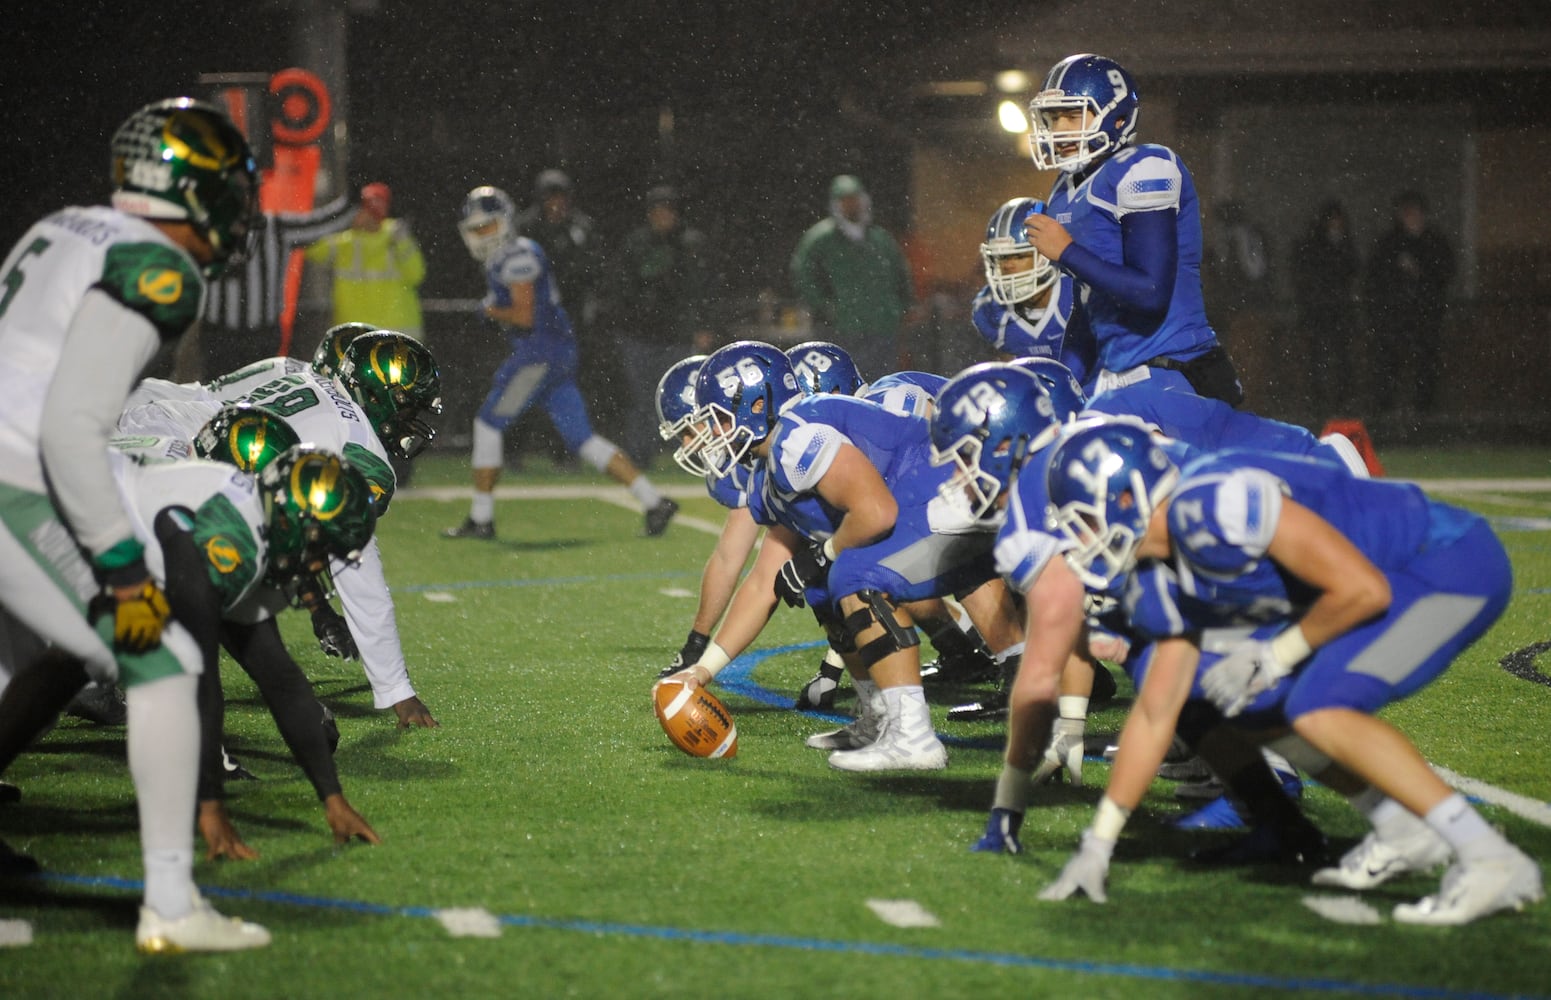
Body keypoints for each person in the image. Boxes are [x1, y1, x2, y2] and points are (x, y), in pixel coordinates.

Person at [1038, 422, 1543, 924]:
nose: (1080, 540)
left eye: (1083, 520)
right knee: (1250, 707)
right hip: (1377, 586)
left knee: (1316, 707)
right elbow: (1156, 711)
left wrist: (1276, 655)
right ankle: (1399, 827)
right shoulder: (1158, 572)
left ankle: (1490, 859)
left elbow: (1363, 590)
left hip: (1445, 565)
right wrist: (1099, 843)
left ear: (1127, 498)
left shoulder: (1213, 506)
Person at [0, 97, 268, 951]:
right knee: (162, 663)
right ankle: (172, 906)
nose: (236, 209)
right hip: (15, 474)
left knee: (44, 658)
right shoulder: (157, 266)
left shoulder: (64, 227)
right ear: (187, 188)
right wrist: (121, 568)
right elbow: (70, 425)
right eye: (226, 188)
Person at [668, 342, 1026, 772]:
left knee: (853, 574)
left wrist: (825, 554)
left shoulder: (796, 436)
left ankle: (913, 737)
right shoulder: (770, 475)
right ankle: (878, 717)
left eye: (717, 421)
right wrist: (702, 671)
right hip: (926, 505)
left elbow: (877, 512)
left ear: (757, 404)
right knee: (821, 586)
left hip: (953, 493)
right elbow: (764, 582)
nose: (711, 436)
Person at [119, 331, 445, 728]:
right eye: (409, 408)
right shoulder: (358, 445)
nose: (411, 422)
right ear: (378, 396)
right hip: (183, 457)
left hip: (157, 424)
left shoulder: (311, 378)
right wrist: (399, 692)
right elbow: (358, 570)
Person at [446, 186, 678, 540]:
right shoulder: (509, 255)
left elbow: (524, 316)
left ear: (504, 222)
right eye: (476, 229)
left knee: (488, 426)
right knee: (582, 439)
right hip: (555, 352)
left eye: (487, 226)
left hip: (539, 353)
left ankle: (481, 518)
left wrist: (490, 310)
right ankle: (654, 501)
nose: (482, 235)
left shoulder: (517, 256)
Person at [1024, 54, 1244, 409]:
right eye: (1052, 118)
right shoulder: (1063, 192)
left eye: (1072, 115)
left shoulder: (1145, 167)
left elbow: (1150, 292)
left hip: (1179, 371)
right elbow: (1086, 308)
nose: (1060, 129)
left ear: (1118, 116)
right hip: (1119, 379)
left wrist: (1066, 252)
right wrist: (1061, 385)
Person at [196, 191, 355, 381]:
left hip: (260, 338)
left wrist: (353, 197)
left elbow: (325, 222)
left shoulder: (275, 227)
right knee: (216, 399)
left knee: (259, 397)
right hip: (218, 337)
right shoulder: (204, 230)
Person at [609, 184, 716, 466]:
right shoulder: (636, 244)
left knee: (685, 397)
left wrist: (703, 325)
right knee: (643, 398)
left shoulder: (690, 243)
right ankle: (640, 454)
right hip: (641, 333)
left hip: (676, 333)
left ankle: (695, 454)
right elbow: (621, 287)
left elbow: (702, 289)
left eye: (668, 210)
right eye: (658, 210)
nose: (663, 216)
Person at [515, 169, 610, 460]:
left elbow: (595, 269)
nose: (555, 204)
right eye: (550, 198)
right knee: (524, 383)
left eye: (560, 198)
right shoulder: (526, 228)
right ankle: (515, 448)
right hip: (534, 321)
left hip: (570, 321)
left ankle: (564, 450)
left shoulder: (581, 228)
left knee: (566, 387)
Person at [790, 175, 914, 382]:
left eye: (855, 199)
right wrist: (826, 306)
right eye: (845, 200)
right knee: (844, 382)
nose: (852, 205)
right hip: (843, 329)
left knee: (882, 384)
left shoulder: (880, 238)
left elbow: (901, 273)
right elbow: (803, 274)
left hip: (882, 327)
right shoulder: (821, 239)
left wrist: (901, 307)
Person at [971, 197, 1096, 391]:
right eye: (1001, 258)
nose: (1007, 266)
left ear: (1045, 253)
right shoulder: (989, 312)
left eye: (1020, 256)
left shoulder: (1075, 291)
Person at [1364, 190, 1455, 416]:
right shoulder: (1389, 244)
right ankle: (1385, 413)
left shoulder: (1435, 242)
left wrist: (1421, 273)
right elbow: (1374, 277)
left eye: (1415, 212)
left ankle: (1424, 414)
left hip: (1426, 314)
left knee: (1426, 364)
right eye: (1407, 213)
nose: (1411, 217)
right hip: (1394, 316)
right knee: (1389, 364)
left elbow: (1445, 272)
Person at [303, 182, 427, 342]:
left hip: (388, 336)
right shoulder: (345, 243)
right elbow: (309, 247)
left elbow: (417, 274)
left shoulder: (396, 237)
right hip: (365, 336)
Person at [1290, 200, 1361, 418]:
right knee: (1317, 358)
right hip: (1319, 313)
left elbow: (1353, 271)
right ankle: (1319, 402)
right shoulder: (1313, 248)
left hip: (1338, 313)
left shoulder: (1345, 246)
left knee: (1341, 360)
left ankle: (1341, 402)